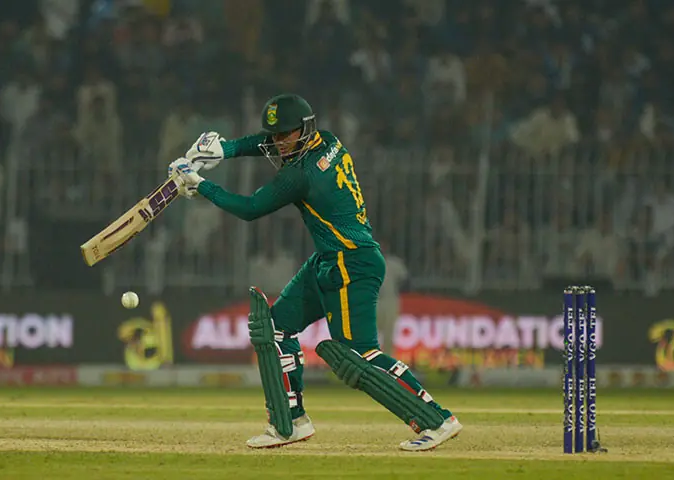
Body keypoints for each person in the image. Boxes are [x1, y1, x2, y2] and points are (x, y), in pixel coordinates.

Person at [168, 94, 461, 451]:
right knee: (274, 329)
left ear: (304, 129)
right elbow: (265, 143)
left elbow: (250, 208)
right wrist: (225, 150)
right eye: (275, 135)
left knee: (359, 357)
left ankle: (437, 419)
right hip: (329, 259)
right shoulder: (328, 140)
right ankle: (291, 423)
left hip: (351, 264)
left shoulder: (298, 175)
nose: (279, 142)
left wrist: (201, 185)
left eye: (286, 134)